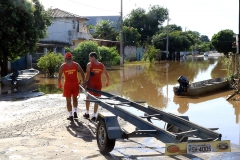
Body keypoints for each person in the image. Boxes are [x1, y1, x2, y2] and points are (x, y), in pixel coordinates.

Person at [58, 52, 85, 121]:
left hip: (67, 85)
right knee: (75, 98)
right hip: (75, 84)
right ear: (71, 58)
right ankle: (75, 111)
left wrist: (59, 84)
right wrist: (84, 81)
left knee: (68, 101)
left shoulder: (63, 66)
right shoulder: (76, 65)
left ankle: (70, 115)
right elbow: (82, 72)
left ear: (65, 58)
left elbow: (59, 76)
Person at [83, 52, 109, 121]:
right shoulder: (102, 65)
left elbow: (87, 75)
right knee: (96, 100)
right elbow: (107, 75)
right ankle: (94, 116)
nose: (89, 59)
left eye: (90, 57)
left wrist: (84, 83)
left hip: (91, 84)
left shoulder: (89, 64)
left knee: (88, 98)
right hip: (98, 84)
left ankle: (87, 113)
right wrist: (107, 81)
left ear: (93, 57)